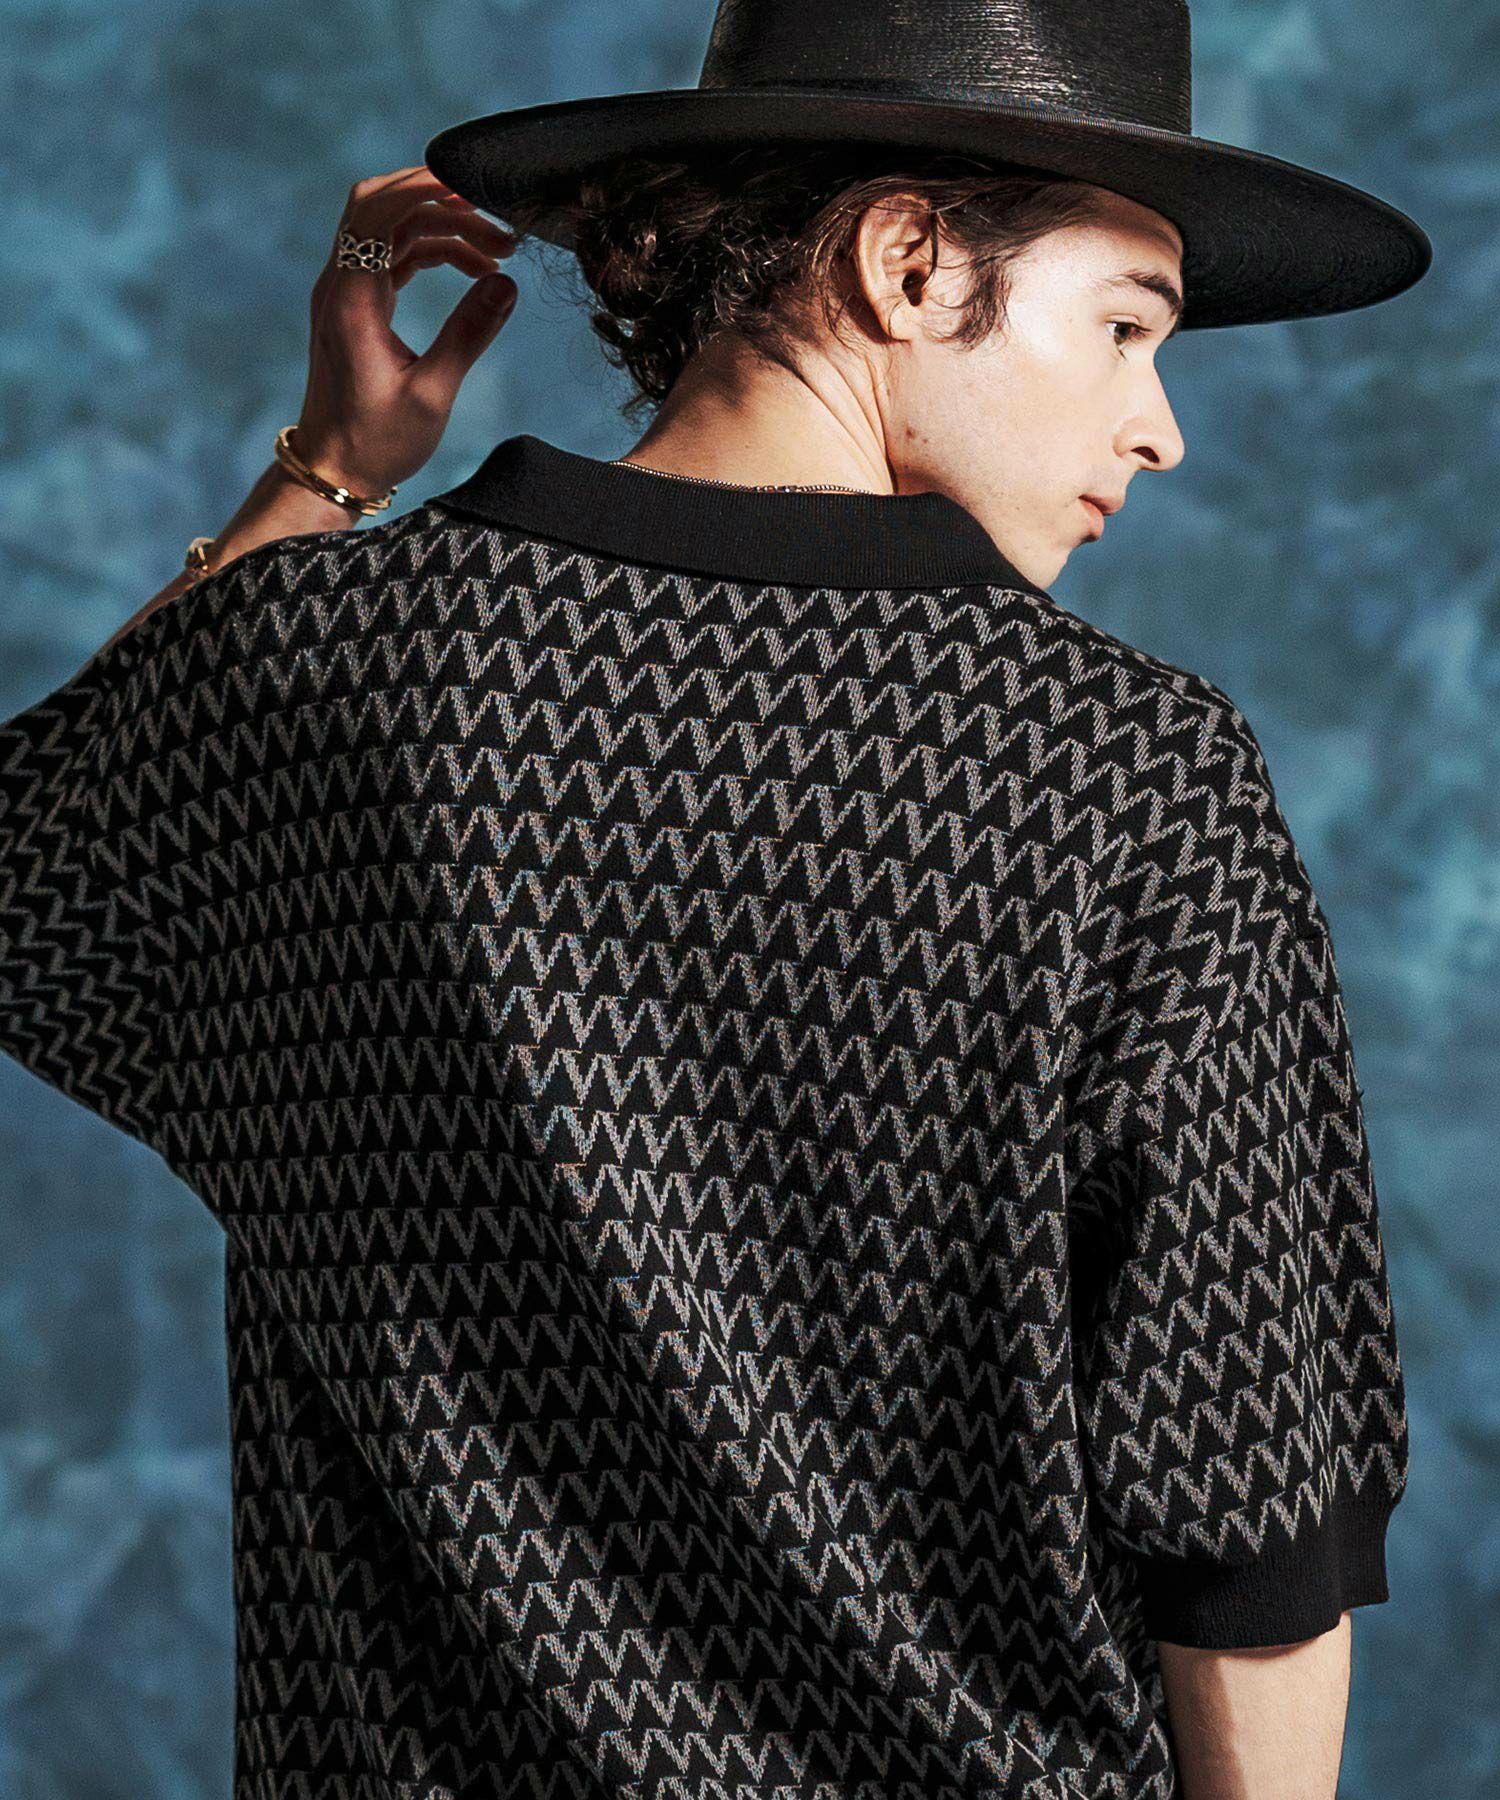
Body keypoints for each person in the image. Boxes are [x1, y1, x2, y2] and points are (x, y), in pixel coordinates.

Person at [0, 4, 1429, 1798]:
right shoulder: (1128, 776)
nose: (1161, 430)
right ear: (909, 262)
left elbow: (28, 870)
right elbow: (1251, 1518)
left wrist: (330, 471)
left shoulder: (309, 675)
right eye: (1128, 327)